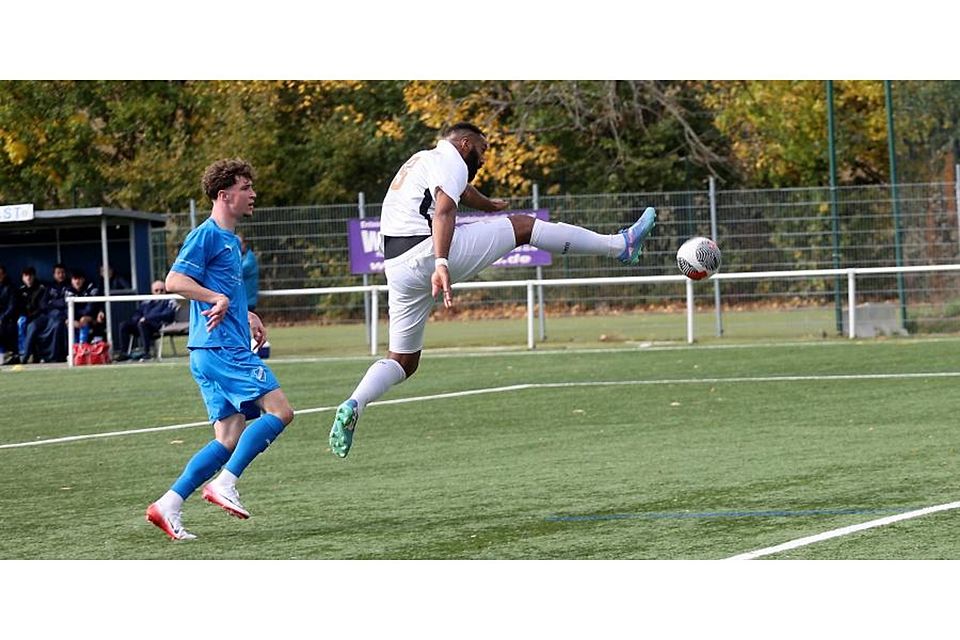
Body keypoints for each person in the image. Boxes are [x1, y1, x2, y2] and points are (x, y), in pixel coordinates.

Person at [328, 122, 657, 458]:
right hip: (428, 252)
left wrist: (487, 205)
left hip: (397, 267)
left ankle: (355, 402)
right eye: (482, 150)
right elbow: (444, 209)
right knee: (524, 227)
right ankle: (621, 246)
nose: (484, 159)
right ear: (465, 143)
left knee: (403, 360)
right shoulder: (453, 159)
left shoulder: (424, 159)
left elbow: (462, 192)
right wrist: (441, 262)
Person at [145, 158, 294, 541]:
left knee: (228, 437)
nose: (253, 194)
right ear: (225, 195)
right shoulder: (208, 234)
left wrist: (247, 314)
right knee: (280, 411)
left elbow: (222, 291)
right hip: (222, 348)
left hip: (209, 350)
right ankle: (225, 483)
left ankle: (168, 504)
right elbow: (175, 280)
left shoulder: (229, 240)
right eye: (246, 188)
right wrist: (216, 298)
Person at [116, 280, 177, 361]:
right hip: (142, 325)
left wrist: (147, 318)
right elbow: (138, 313)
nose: (159, 292)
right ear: (152, 291)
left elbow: (168, 315)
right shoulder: (147, 301)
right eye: (156, 290)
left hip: (158, 325)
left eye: (162, 290)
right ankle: (123, 353)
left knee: (143, 324)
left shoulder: (169, 300)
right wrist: (138, 319)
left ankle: (146, 353)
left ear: (165, 290)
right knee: (124, 325)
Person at [35, 263, 70, 362]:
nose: (61, 275)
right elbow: (43, 304)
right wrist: (55, 304)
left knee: (57, 324)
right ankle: (29, 356)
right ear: (54, 275)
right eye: (58, 273)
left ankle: (55, 356)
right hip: (49, 315)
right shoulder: (49, 287)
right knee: (33, 326)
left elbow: (65, 302)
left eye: (63, 272)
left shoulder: (69, 285)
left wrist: (52, 302)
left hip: (64, 316)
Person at [16, 266, 47, 364]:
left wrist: (31, 316)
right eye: (26, 276)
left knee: (31, 326)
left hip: (39, 316)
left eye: (30, 275)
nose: (28, 278)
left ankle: (26, 355)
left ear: (34, 276)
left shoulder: (41, 289)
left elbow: (42, 307)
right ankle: (22, 352)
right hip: (26, 316)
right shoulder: (21, 290)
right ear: (22, 278)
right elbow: (19, 306)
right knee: (21, 321)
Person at [66, 269, 103, 344]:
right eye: (75, 279)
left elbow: (91, 307)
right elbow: (67, 308)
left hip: (92, 317)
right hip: (76, 318)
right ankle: (74, 348)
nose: (77, 282)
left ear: (83, 279)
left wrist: (82, 319)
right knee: (69, 322)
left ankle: (82, 346)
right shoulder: (69, 290)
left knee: (83, 320)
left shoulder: (90, 287)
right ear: (71, 281)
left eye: (79, 279)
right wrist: (72, 319)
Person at [238, 234, 259, 312]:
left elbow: (239, 271)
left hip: (247, 301)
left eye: (240, 243)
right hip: (240, 300)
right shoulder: (240, 257)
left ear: (245, 244)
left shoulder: (250, 258)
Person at [0, 266, 16, 364]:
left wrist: (2, 317)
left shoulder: (10, 288)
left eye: (0, 274)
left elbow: (11, 306)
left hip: (7, 317)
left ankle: (3, 354)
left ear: (4, 275)